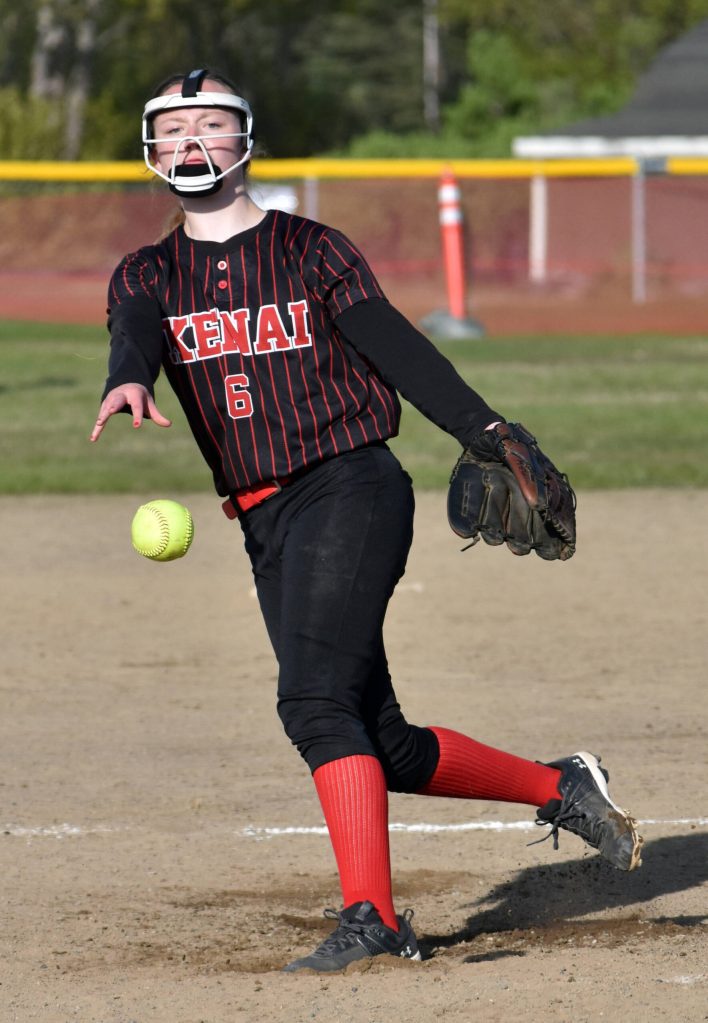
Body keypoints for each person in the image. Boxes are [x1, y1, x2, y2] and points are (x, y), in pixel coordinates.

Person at [90, 68, 642, 973]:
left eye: (211, 124)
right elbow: (137, 330)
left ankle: (374, 916)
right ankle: (563, 787)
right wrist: (127, 376)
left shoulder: (312, 249)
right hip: (262, 518)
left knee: (312, 702)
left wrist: (486, 431)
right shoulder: (145, 272)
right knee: (372, 732)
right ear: (151, 149)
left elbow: (394, 343)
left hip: (351, 486)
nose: (192, 140)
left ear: (246, 141)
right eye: (173, 126)